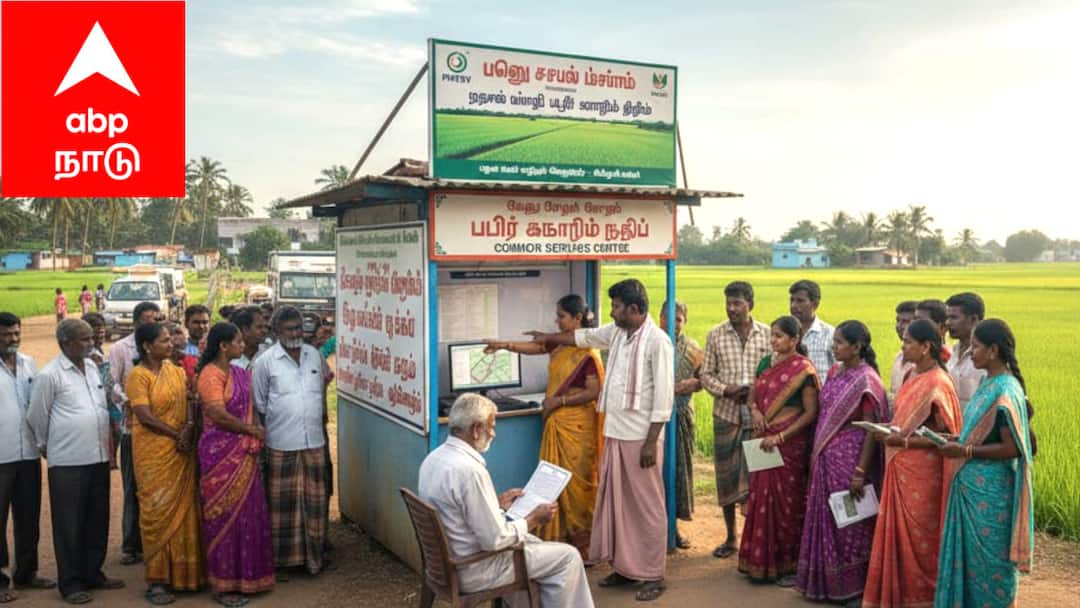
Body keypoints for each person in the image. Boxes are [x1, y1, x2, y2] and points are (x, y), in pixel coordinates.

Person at [527, 278, 673, 602]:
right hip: (615, 434)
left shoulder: (657, 342)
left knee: (646, 508)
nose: (612, 312)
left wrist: (651, 443)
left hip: (640, 438)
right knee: (619, 506)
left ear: (634, 309)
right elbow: (584, 336)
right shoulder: (618, 333)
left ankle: (653, 574)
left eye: (617, 307)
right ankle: (624, 567)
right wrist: (549, 336)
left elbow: (663, 400)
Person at [417, 393, 593, 607]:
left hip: (448, 564)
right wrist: (533, 519)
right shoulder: (470, 471)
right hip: (476, 568)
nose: (493, 434)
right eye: (491, 427)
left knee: (537, 547)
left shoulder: (434, 458)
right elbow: (495, 540)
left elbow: (458, 511)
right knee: (568, 556)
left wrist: (497, 504)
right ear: (475, 430)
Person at [484, 294, 604, 556]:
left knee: (577, 486)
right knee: (554, 483)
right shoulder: (561, 345)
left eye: (562, 316)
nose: (557, 321)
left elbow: (594, 391)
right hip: (557, 421)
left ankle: (584, 545)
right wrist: (504, 345)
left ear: (578, 318)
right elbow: (537, 347)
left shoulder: (587, 353)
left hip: (577, 427)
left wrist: (559, 401)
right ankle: (558, 539)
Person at [934, 319, 1035, 608]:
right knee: (969, 562)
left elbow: (1011, 447)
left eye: (976, 347)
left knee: (990, 564)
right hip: (972, 488)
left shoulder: (1004, 390)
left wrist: (964, 451)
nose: (971, 352)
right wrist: (957, 439)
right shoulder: (989, 382)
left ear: (993, 350)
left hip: (989, 496)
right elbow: (980, 433)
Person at [863, 319, 962, 608]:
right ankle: (898, 596)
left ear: (926, 346)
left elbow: (947, 436)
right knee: (899, 538)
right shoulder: (910, 376)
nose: (902, 346)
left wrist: (903, 442)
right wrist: (890, 435)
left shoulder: (938, 382)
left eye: (908, 342)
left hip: (922, 475)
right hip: (900, 468)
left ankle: (923, 599)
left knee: (921, 540)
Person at [27, 319, 125, 604]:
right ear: (66, 343)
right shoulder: (50, 375)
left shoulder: (92, 367)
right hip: (68, 461)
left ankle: (92, 572)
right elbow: (37, 417)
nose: (91, 342)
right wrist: (49, 446)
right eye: (84, 339)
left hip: (97, 457)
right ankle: (70, 582)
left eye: (90, 338)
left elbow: (103, 403)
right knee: (69, 523)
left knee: (97, 518)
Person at [796, 320, 889, 607]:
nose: (833, 347)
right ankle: (825, 583)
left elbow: (873, 428)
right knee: (825, 518)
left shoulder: (867, 379)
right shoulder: (836, 371)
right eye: (833, 341)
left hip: (851, 462)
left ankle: (853, 586)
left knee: (851, 522)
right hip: (826, 459)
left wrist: (861, 471)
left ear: (857, 346)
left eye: (839, 342)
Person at [126, 322, 205, 604]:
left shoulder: (177, 371)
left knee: (186, 510)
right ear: (147, 346)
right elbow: (143, 415)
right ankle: (158, 580)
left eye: (170, 339)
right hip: (154, 454)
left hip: (181, 450)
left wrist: (190, 427)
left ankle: (187, 576)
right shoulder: (138, 376)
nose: (170, 344)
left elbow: (190, 403)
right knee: (157, 511)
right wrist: (177, 434)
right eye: (163, 341)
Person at [737, 316, 820, 586]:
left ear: (794, 340)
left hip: (788, 446)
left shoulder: (803, 370)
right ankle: (759, 562)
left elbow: (810, 413)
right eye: (772, 335)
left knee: (787, 503)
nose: (773, 340)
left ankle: (787, 565)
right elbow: (752, 396)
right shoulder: (765, 363)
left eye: (779, 336)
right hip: (763, 438)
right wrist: (755, 411)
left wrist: (781, 436)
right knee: (761, 498)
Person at [197, 322, 274, 607]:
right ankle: (224, 584)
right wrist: (250, 430)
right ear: (223, 346)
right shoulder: (210, 375)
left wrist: (252, 430)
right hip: (220, 454)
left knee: (249, 513)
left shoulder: (239, 373)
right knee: (224, 518)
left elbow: (250, 408)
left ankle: (250, 576)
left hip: (244, 453)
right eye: (238, 342)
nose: (242, 346)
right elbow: (216, 413)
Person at [252, 306, 332, 577]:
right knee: (281, 506)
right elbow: (259, 404)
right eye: (289, 329)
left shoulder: (314, 356)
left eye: (299, 327)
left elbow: (322, 391)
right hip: (280, 441)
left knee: (316, 502)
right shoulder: (265, 361)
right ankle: (283, 561)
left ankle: (314, 558)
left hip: (314, 441)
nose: (296, 333)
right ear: (276, 332)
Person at [699, 281, 770, 560]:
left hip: (760, 418)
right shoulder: (715, 334)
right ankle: (731, 537)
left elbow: (776, 372)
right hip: (726, 414)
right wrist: (726, 390)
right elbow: (706, 375)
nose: (731, 309)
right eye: (728, 303)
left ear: (750, 304)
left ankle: (759, 537)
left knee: (762, 477)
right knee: (726, 477)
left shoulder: (767, 334)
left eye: (737, 303)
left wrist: (755, 394)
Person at [0, 313, 55, 602]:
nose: (13, 339)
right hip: (1, 455)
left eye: (16, 333)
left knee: (28, 516)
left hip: (28, 453)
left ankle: (26, 573)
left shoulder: (28, 364)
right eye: (7, 334)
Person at [109, 301, 162, 566]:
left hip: (159, 431)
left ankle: (153, 541)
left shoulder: (163, 351)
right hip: (133, 429)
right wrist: (128, 401)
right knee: (133, 487)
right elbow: (112, 384)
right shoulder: (121, 349)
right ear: (136, 322)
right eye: (146, 320)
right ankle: (131, 543)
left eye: (156, 319)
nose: (151, 324)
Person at [660, 301, 702, 549]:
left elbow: (703, 378)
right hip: (654, 419)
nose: (673, 324)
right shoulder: (652, 344)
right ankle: (657, 529)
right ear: (659, 317)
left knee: (678, 472)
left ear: (684, 321)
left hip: (682, 417)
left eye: (678, 319)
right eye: (668, 318)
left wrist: (693, 385)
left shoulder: (693, 348)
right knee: (656, 474)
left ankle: (673, 528)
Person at [83, 313, 120, 470]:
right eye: (96, 333)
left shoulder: (99, 351)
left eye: (102, 332)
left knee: (116, 429)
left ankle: (110, 458)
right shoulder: (86, 355)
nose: (100, 336)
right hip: (96, 400)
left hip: (108, 398)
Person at [945, 292, 987, 410]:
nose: (948, 323)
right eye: (947, 318)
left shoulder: (986, 358)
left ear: (974, 319)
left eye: (954, 318)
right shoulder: (953, 352)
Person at [788, 279, 835, 375]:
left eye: (800, 301)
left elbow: (840, 370)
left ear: (815, 304)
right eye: (792, 300)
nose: (794, 305)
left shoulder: (830, 334)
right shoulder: (783, 332)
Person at [888, 301, 917, 401]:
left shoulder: (923, 362)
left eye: (905, 322)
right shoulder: (899, 357)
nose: (899, 326)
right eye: (898, 321)